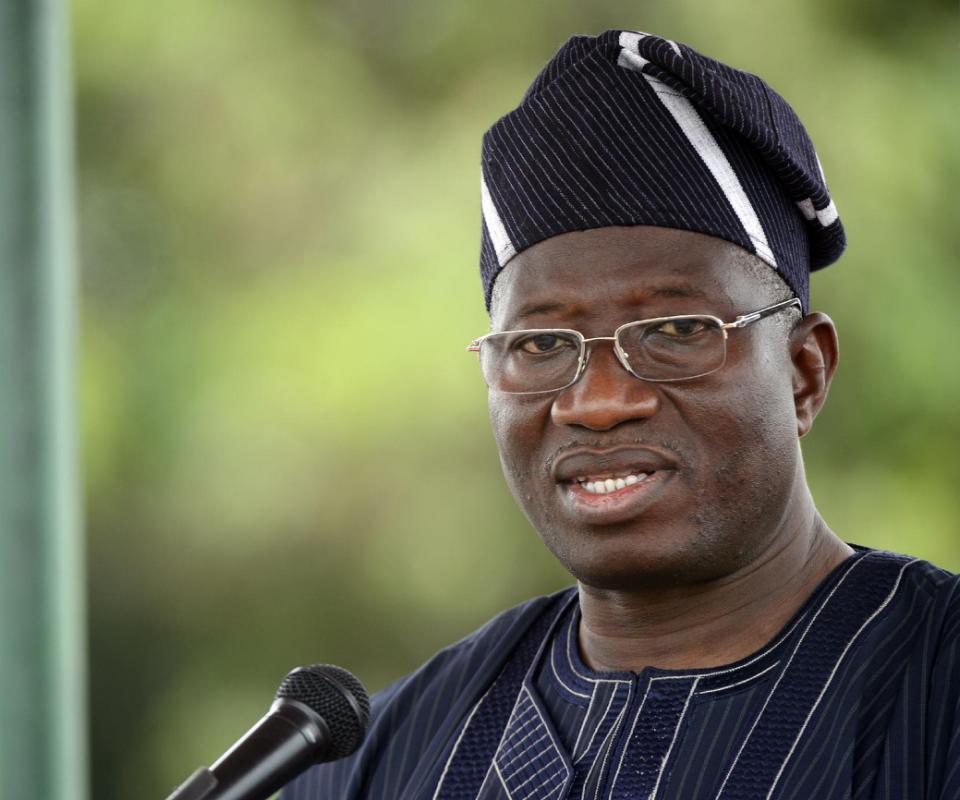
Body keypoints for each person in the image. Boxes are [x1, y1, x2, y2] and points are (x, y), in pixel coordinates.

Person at [282, 30, 959, 800]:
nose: (597, 402)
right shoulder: (380, 759)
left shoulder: (934, 688)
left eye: (675, 332)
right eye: (540, 343)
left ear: (805, 372)